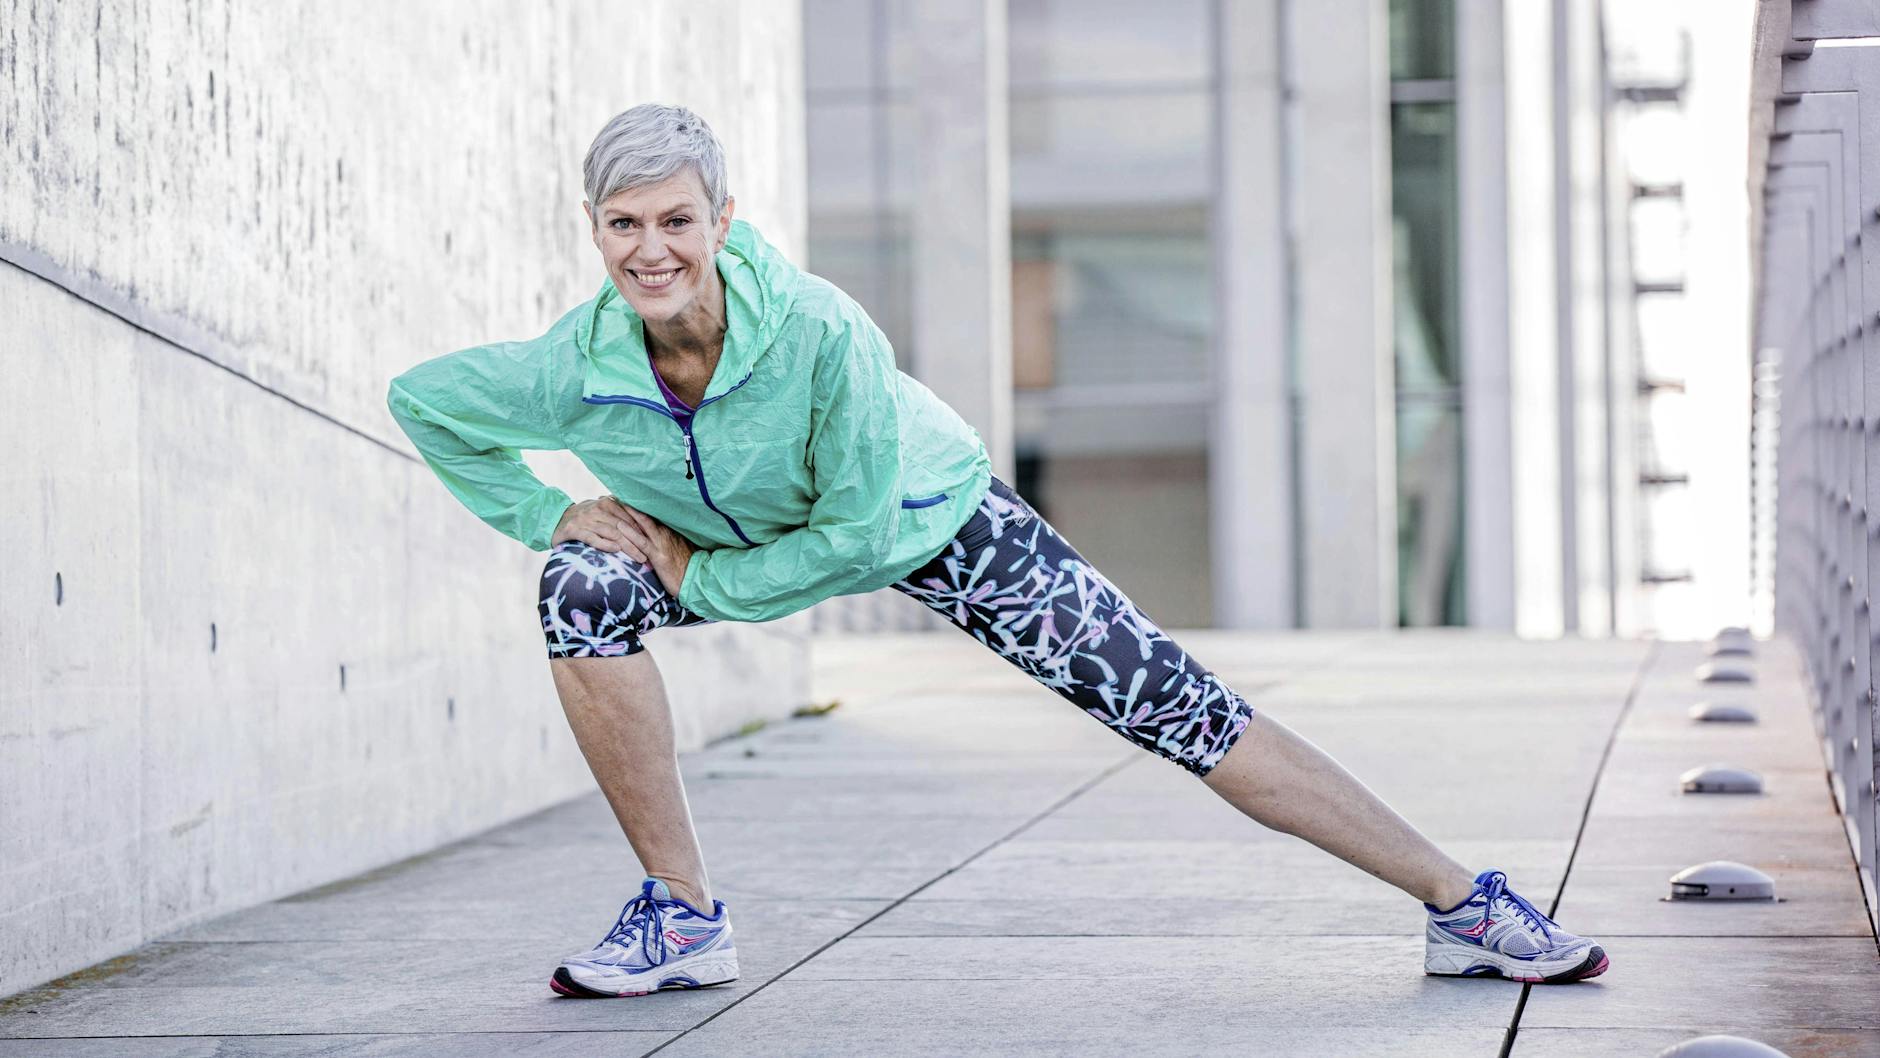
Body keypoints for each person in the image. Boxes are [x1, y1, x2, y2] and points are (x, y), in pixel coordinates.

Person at [386, 103, 1608, 999]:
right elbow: (423, 398)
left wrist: (706, 579)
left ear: (722, 220)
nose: (649, 250)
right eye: (621, 224)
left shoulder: (819, 331)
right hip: (722, 541)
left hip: (936, 520)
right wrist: (548, 514)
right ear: (593, 229)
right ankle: (685, 917)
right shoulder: (575, 363)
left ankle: (1461, 901)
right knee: (581, 587)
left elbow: (859, 532)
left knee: (1178, 709)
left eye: (674, 220)